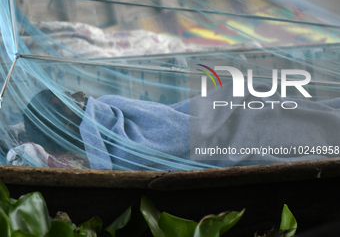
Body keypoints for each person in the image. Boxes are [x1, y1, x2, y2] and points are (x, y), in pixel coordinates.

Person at [23, 82, 340, 171]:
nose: (81, 94)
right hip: (232, 135)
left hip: (220, 115)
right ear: (65, 123)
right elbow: (180, 134)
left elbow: (174, 117)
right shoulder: (122, 149)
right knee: (292, 123)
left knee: (278, 109)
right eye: (70, 99)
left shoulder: (108, 111)